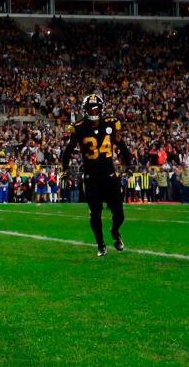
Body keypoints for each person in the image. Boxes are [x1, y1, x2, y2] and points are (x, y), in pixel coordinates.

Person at [61, 93, 131, 257]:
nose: (93, 112)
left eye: (96, 108)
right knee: (95, 213)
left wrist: (127, 164)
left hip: (110, 175)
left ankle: (114, 231)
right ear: (85, 110)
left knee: (119, 214)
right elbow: (69, 149)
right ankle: (101, 245)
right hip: (91, 178)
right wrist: (64, 167)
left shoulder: (111, 124)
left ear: (101, 109)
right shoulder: (78, 127)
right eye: (90, 109)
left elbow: (122, 145)